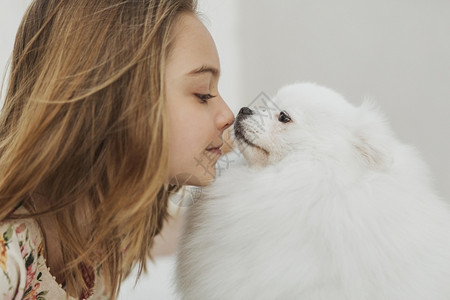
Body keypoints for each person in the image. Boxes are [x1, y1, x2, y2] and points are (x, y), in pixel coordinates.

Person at [0, 0, 234, 299]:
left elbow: (177, 232)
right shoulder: (8, 261)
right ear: (117, 98)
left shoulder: (105, 225)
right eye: (203, 94)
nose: (228, 114)